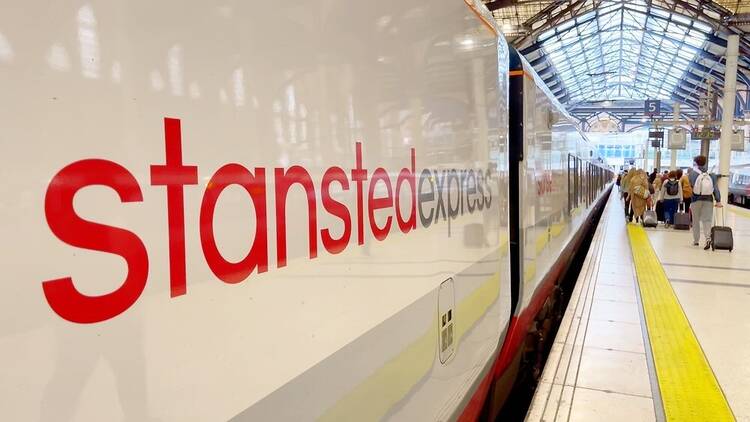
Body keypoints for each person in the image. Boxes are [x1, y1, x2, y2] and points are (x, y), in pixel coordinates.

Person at [687, 155, 722, 249]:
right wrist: (718, 200)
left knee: (695, 221)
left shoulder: (692, 173)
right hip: (708, 200)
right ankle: (707, 238)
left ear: (696, 163)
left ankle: (696, 240)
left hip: (696, 200)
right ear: (705, 162)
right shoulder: (711, 174)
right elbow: (715, 188)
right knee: (707, 220)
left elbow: (691, 186)